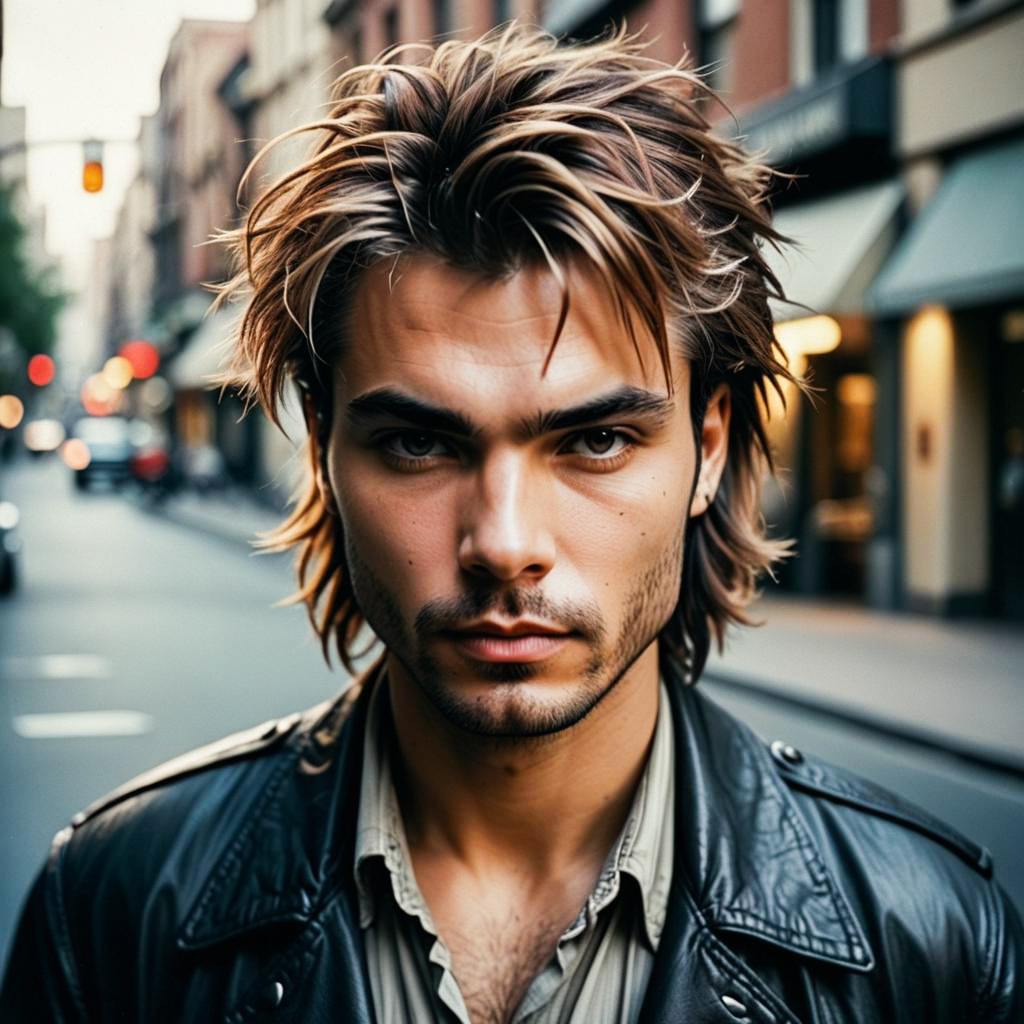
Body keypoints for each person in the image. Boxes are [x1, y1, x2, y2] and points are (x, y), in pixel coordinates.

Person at [2, 24, 1021, 1024]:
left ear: (707, 446)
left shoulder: (926, 939)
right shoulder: (115, 909)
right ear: (321, 443)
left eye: (595, 442)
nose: (502, 540)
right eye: (419, 445)